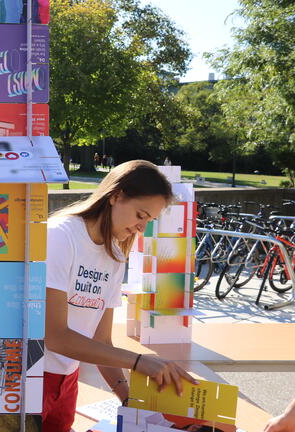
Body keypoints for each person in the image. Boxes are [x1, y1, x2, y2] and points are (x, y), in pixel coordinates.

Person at [43, 160, 198, 430]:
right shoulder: (60, 236)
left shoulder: (115, 255)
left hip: (66, 380)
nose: (141, 228)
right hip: (32, 378)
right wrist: (139, 362)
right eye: (140, 215)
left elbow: (101, 340)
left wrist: (130, 401)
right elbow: (55, 337)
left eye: (148, 221)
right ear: (116, 196)